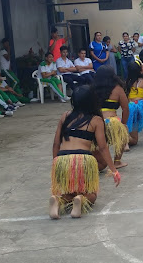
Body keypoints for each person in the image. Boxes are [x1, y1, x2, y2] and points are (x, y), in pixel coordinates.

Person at [48, 85, 121, 219]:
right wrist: (113, 169)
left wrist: (55, 164)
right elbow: (103, 147)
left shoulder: (65, 116)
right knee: (91, 195)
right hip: (83, 159)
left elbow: (56, 143)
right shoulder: (96, 120)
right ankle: (80, 200)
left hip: (62, 159)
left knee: (68, 193)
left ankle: (58, 200)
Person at [92, 66, 130, 168]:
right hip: (112, 121)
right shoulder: (118, 89)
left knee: (96, 144)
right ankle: (117, 161)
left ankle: (95, 160)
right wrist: (124, 124)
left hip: (96, 122)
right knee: (123, 134)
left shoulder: (92, 89)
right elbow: (125, 109)